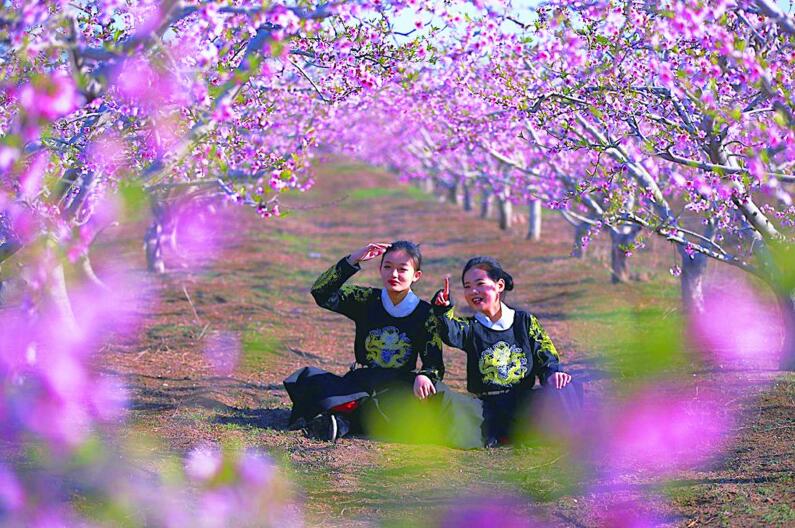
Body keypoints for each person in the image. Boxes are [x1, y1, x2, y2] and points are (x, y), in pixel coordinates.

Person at [283, 241, 444, 442]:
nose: (393, 275)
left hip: (397, 385)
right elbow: (321, 292)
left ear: (416, 276)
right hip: (361, 380)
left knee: (425, 404)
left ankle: (342, 420)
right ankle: (350, 416)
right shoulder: (366, 299)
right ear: (380, 269)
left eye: (402, 269)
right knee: (310, 380)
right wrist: (352, 260)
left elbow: (434, 364)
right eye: (388, 267)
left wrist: (426, 376)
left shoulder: (426, 313)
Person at [431, 256, 580, 447]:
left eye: (479, 284)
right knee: (443, 396)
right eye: (467, 286)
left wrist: (552, 374)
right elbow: (449, 333)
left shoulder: (524, 321)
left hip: (523, 404)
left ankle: (569, 438)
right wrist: (443, 309)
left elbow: (546, 355)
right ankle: (499, 434)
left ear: (499, 285)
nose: (473, 291)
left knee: (566, 385)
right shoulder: (470, 327)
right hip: (485, 409)